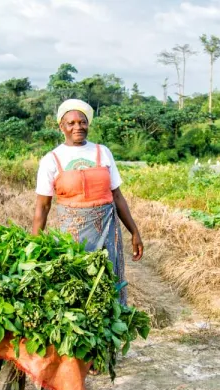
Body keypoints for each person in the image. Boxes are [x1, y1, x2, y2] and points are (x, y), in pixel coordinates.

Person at [32, 99, 143, 305]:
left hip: (108, 231)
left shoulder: (102, 152)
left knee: (109, 284)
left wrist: (134, 232)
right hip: (73, 238)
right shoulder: (52, 159)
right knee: (77, 288)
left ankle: (111, 335)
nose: (78, 127)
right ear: (61, 126)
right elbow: (43, 206)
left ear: (88, 124)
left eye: (82, 122)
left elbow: (117, 196)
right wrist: (34, 245)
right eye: (71, 123)